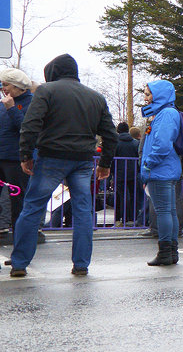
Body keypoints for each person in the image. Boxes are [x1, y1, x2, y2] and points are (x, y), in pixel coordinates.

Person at [8, 54, 119, 277]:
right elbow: (110, 134)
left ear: (52, 72)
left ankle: (20, 263)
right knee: (82, 211)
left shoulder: (46, 91)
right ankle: (81, 264)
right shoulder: (96, 97)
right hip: (83, 160)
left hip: (51, 157)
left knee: (32, 208)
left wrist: (25, 154)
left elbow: (31, 124)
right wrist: (105, 163)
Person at [139, 80, 183, 266]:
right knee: (170, 211)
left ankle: (166, 252)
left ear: (159, 95)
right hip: (166, 169)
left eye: (148, 94)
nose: (145, 97)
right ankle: (171, 252)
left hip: (160, 171)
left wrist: (149, 164)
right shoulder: (166, 113)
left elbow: (162, 144)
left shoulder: (165, 114)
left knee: (164, 212)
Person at [0, 68, 34, 235]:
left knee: (18, 199)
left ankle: (20, 233)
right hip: (1, 156)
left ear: (18, 86)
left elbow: (27, 129)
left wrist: (12, 109)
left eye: (6, 84)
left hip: (16, 159)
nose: (3, 88)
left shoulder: (32, 103)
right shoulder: (4, 102)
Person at [112, 121, 142, 225]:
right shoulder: (135, 143)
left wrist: (112, 172)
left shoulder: (115, 143)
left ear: (118, 130)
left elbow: (111, 158)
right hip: (133, 172)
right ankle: (132, 218)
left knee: (122, 196)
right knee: (133, 195)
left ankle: (122, 218)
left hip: (119, 173)